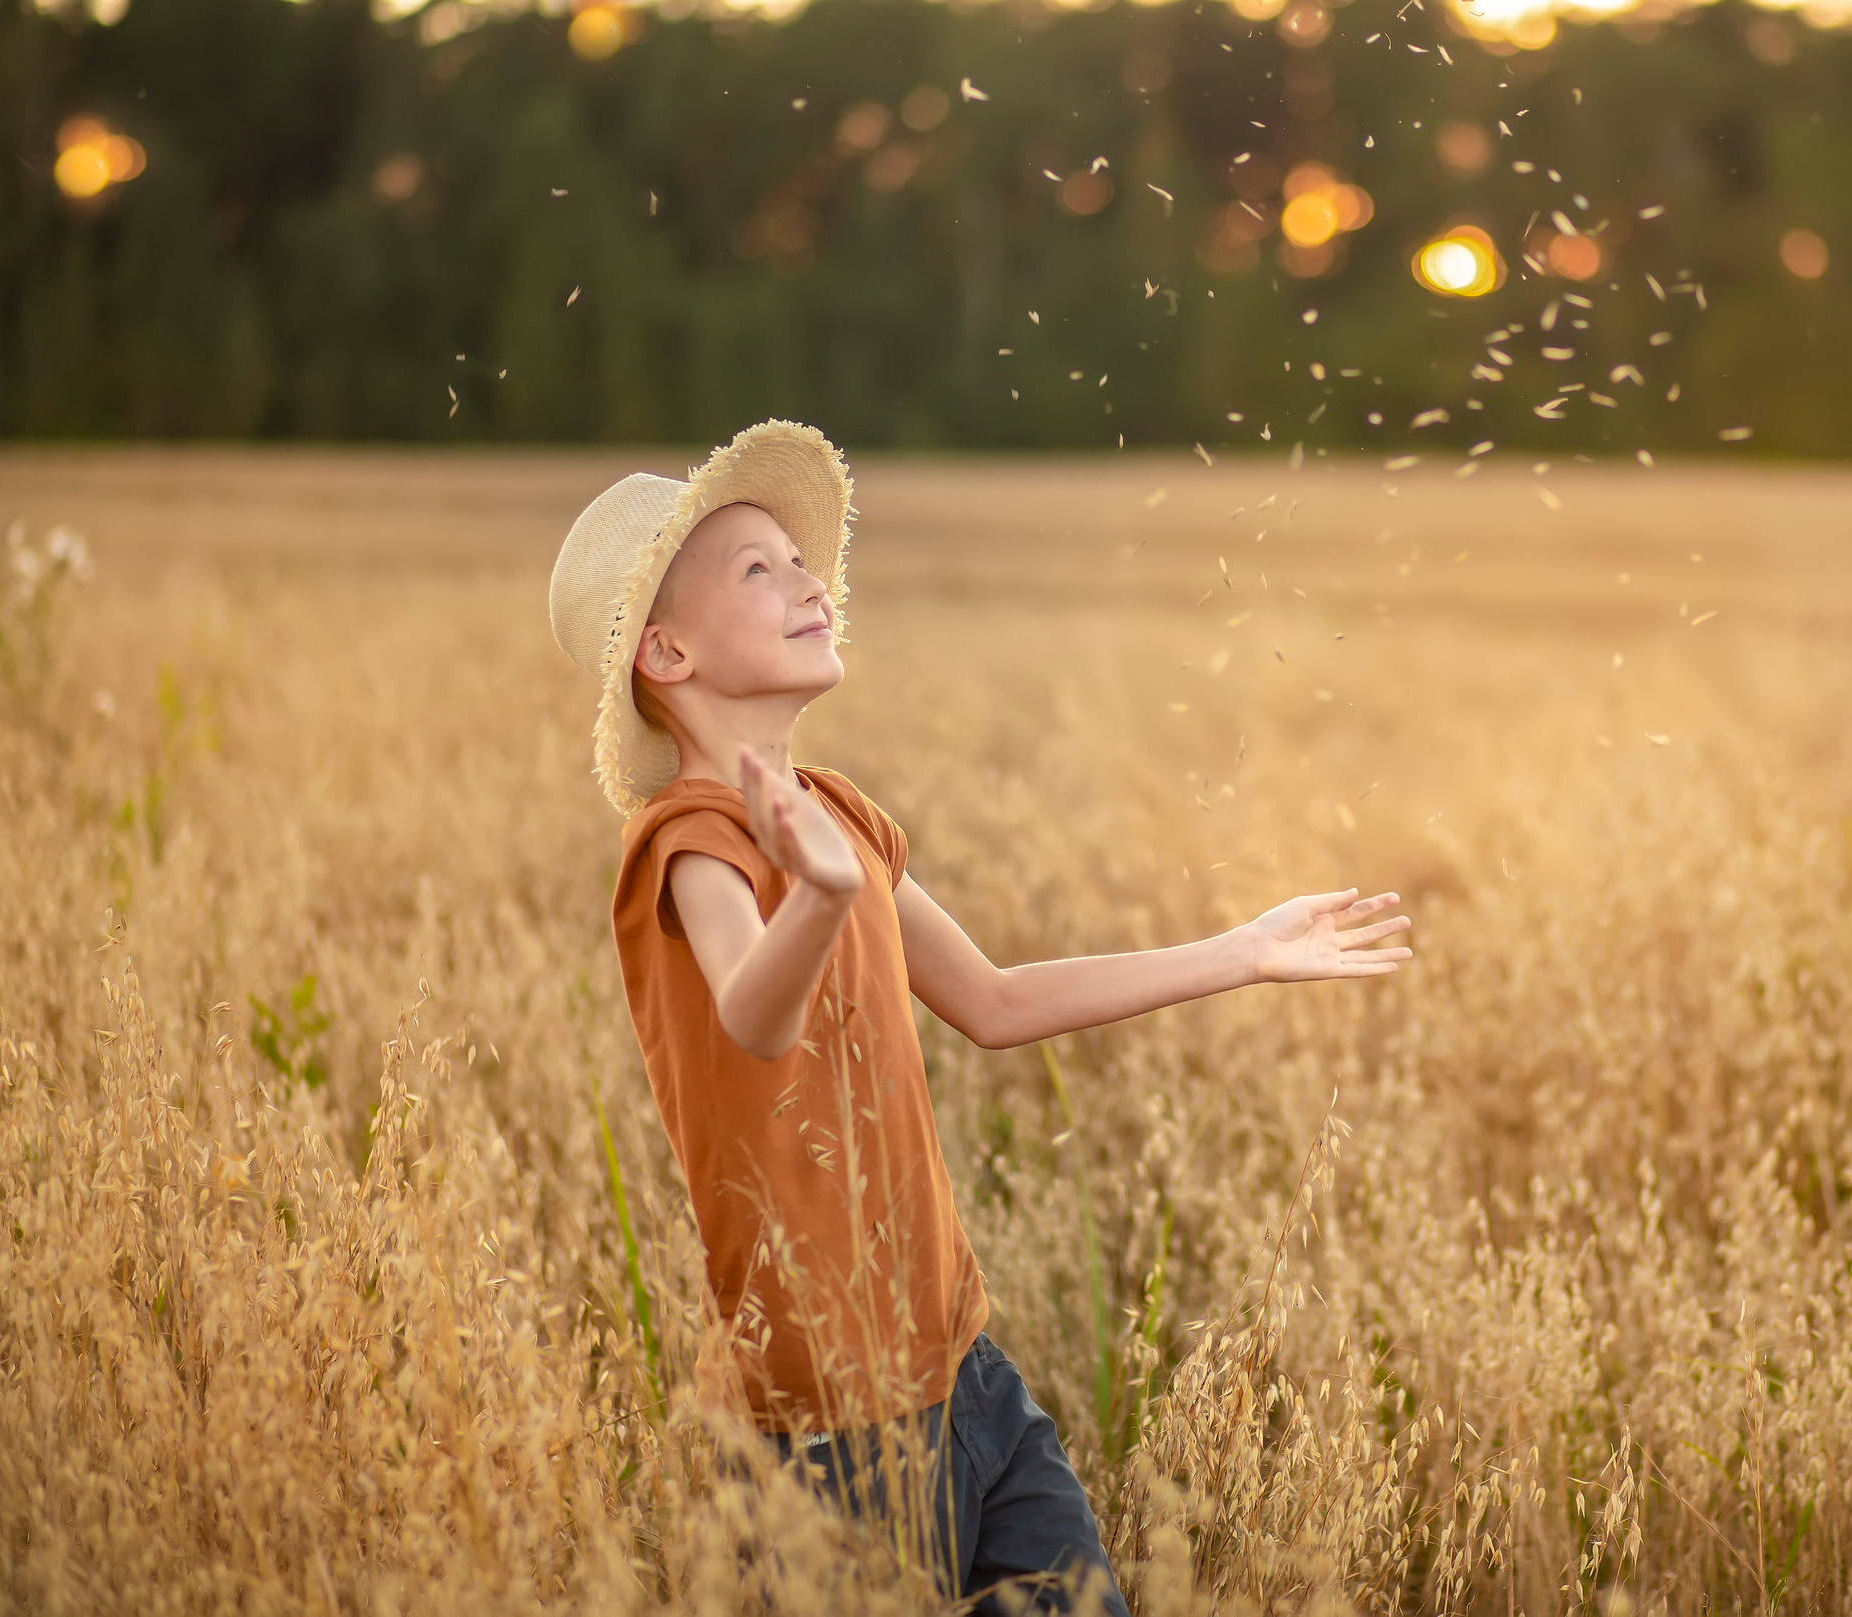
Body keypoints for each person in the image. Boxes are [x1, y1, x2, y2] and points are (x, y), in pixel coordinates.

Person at [548, 420, 1414, 1614]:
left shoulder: (837, 816)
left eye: (803, 560)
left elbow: (997, 1003)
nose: (807, 579)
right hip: (824, 1422)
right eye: (760, 568)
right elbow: (754, 1012)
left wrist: (1239, 954)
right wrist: (823, 897)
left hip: (964, 1375)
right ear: (666, 650)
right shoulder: (692, 839)